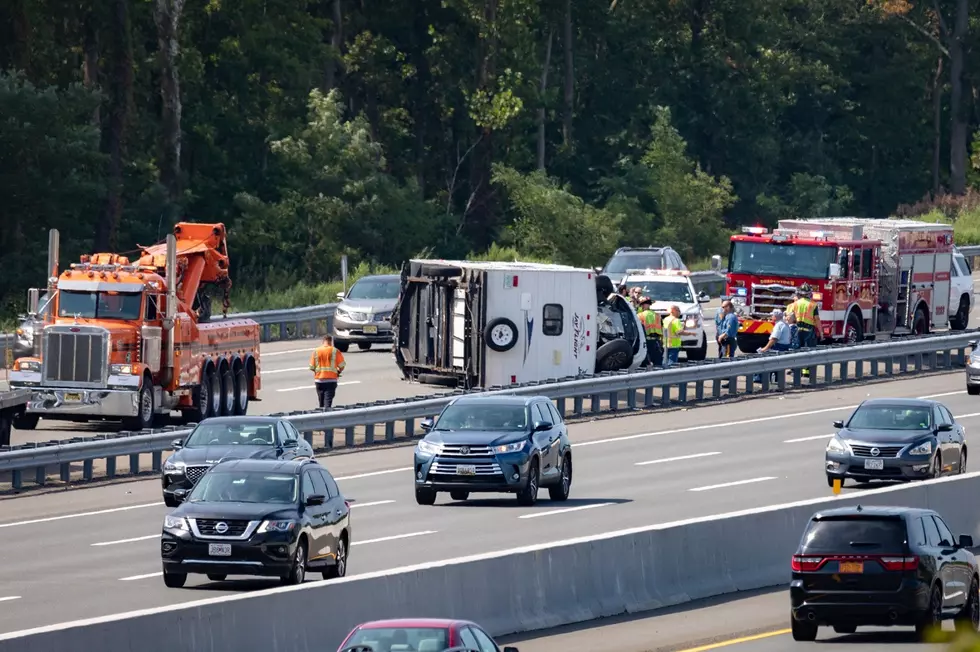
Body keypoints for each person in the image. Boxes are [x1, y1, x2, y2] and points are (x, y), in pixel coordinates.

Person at [309, 334, 346, 408]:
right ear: (331, 341)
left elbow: (312, 367)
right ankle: (326, 417)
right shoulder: (335, 351)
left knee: (321, 403)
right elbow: (342, 366)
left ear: (323, 341)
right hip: (331, 381)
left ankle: (321, 417)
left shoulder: (316, 351)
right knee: (327, 404)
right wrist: (338, 372)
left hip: (319, 381)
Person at [755, 309, 791, 384]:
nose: (771, 317)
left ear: (776, 316)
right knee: (776, 365)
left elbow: (774, 339)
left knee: (762, 359)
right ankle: (777, 379)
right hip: (784, 347)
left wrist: (765, 349)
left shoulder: (779, 325)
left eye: (772, 315)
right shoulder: (784, 324)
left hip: (779, 347)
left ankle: (759, 378)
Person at [636, 296, 663, 367]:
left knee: (644, 364)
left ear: (642, 305)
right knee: (658, 363)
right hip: (657, 342)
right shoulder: (657, 315)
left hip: (645, 342)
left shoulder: (639, 315)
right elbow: (662, 328)